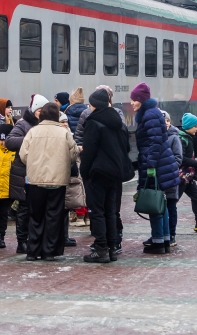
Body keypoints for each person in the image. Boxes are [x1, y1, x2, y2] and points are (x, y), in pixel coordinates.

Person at [80, 87, 134, 263]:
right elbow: (127, 149)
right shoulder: (119, 124)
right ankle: (111, 248)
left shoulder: (93, 123)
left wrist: (85, 172)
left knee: (97, 211)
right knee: (111, 211)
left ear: (95, 105)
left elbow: (89, 152)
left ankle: (100, 248)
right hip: (115, 174)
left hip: (98, 174)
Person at [20, 102, 78, 261]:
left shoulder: (32, 131)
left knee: (36, 216)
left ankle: (33, 251)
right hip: (58, 181)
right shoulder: (64, 133)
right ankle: (49, 251)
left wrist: (33, 165)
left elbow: (23, 155)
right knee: (54, 216)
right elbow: (73, 156)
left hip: (35, 180)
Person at [131, 82, 179, 254]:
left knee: (154, 202)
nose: (132, 103)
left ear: (142, 100)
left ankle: (158, 242)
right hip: (162, 164)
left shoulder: (149, 115)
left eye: (135, 100)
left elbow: (154, 141)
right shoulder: (152, 113)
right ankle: (164, 238)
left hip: (156, 165)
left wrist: (150, 165)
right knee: (161, 202)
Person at [6, 94, 47, 253]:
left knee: (36, 207)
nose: (41, 113)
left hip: (39, 171)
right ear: (34, 109)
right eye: (39, 110)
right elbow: (10, 141)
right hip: (23, 171)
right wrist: (31, 139)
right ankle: (21, 242)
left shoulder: (45, 124)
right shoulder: (23, 124)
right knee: (23, 208)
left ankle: (34, 239)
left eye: (43, 110)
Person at [162, 111, 183, 246]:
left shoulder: (174, 138)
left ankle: (172, 234)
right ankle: (161, 234)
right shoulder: (156, 137)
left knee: (171, 206)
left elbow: (178, 159)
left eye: (167, 121)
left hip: (170, 178)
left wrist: (166, 169)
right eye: (163, 121)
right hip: (160, 180)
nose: (165, 124)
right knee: (159, 208)